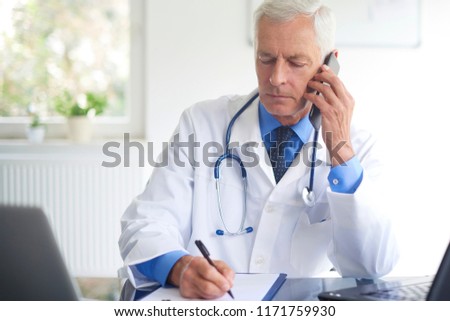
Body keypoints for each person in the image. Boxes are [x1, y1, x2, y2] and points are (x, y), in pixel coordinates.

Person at [119, 0, 399, 299]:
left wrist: (342, 156)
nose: (276, 78)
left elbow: (373, 265)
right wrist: (178, 266)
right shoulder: (201, 123)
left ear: (329, 65)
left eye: (295, 62)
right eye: (265, 58)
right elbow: (145, 224)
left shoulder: (359, 148)